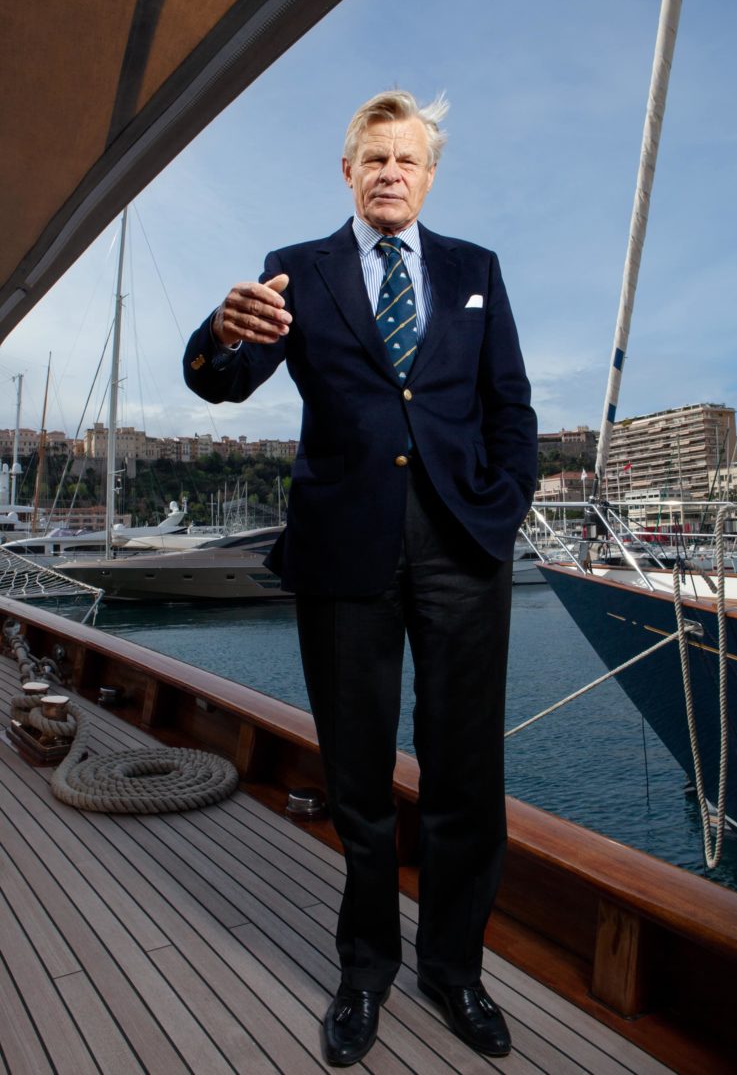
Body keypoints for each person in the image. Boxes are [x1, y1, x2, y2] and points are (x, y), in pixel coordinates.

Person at [183, 90, 537, 1066]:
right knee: (359, 782)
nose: (390, 172)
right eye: (373, 157)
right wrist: (218, 332)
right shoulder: (297, 272)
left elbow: (510, 406)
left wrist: (500, 520)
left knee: (468, 779)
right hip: (345, 554)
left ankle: (454, 970)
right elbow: (222, 379)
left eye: (407, 160)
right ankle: (366, 965)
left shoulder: (476, 272)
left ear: (428, 175)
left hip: (464, 555)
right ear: (348, 170)